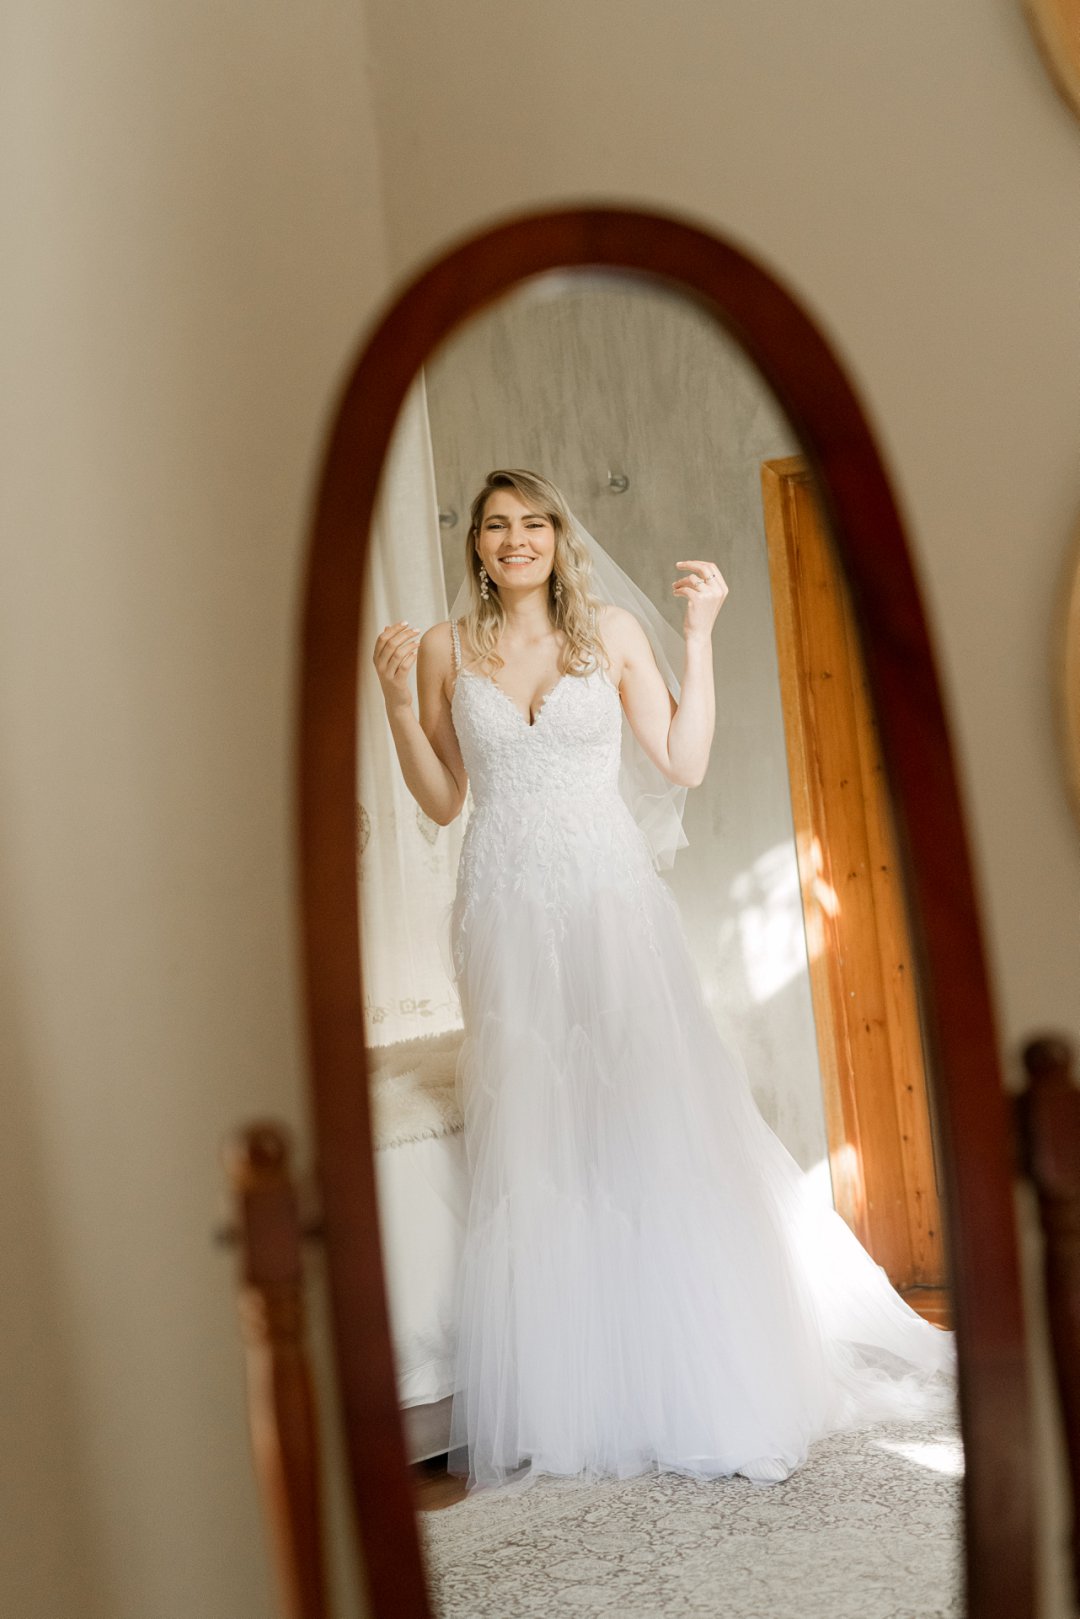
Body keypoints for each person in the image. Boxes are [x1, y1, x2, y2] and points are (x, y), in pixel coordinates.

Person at [373, 467, 957, 1496]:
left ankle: (692, 1374)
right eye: (497, 526)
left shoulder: (609, 634)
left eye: (533, 523)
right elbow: (442, 799)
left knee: (646, 1116)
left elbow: (682, 761)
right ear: (476, 545)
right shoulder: (443, 650)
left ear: (559, 536)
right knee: (541, 1131)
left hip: (611, 903)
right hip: (503, 911)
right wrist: (395, 706)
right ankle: (577, 1394)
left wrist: (700, 634)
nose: (515, 539)